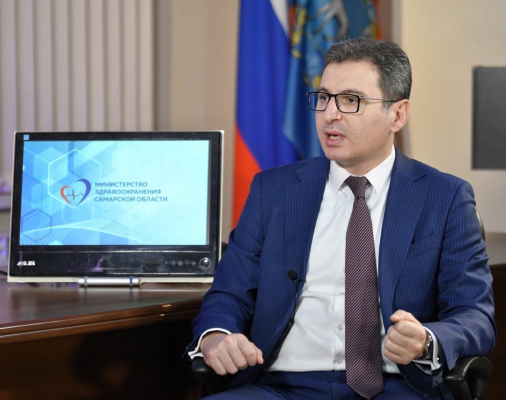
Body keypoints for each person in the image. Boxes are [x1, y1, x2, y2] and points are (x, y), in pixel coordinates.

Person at [188, 37, 496, 399]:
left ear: (398, 114)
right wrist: (216, 336)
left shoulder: (444, 197)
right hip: (279, 386)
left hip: (397, 387)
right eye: (323, 98)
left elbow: (475, 316)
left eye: (351, 100)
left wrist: (427, 341)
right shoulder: (273, 190)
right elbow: (229, 294)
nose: (330, 114)